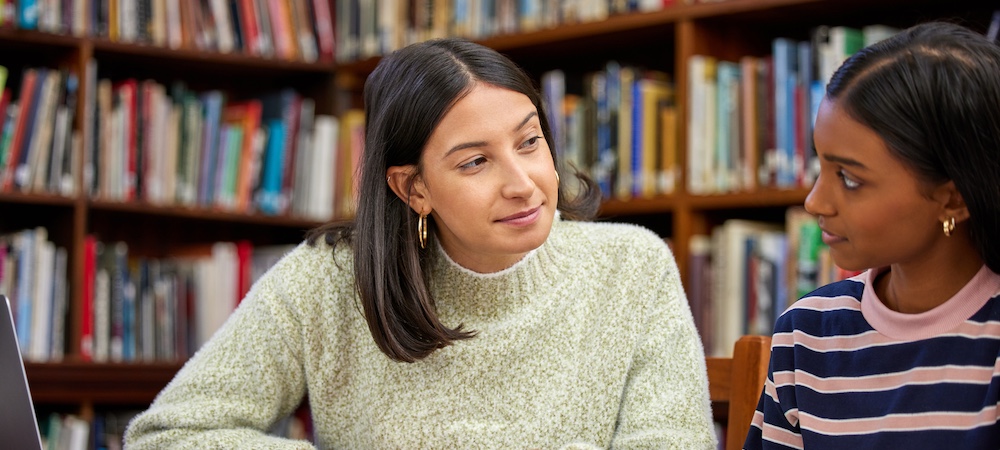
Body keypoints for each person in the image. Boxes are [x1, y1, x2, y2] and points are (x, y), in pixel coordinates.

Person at [124, 37, 716, 449]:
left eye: (530, 142)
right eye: (476, 161)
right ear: (414, 188)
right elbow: (171, 435)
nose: (523, 183)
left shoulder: (633, 266)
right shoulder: (327, 280)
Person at [744, 21, 1000, 449]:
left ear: (953, 200)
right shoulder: (805, 334)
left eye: (848, 177)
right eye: (820, 166)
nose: (814, 202)